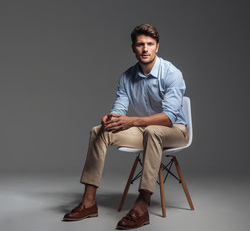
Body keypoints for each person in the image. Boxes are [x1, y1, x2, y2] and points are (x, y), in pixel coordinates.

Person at [63, 23, 189, 229]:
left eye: (150, 44)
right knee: (99, 131)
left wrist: (133, 121)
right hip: (145, 131)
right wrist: (111, 117)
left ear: (157, 46)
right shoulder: (126, 76)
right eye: (140, 44)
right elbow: (120, 110)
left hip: (176, 130)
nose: (145, 49)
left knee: (153, 130)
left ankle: (142, 205)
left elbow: (168, 118)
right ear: (133, 48)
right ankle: (88, 202)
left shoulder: (171, 73)